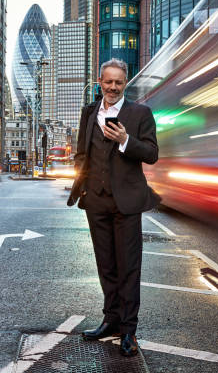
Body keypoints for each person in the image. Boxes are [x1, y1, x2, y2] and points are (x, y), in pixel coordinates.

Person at [67, 58, 160, 357]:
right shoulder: (89, 112)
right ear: (100, 81)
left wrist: (125, 140)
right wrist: (82, 180)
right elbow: (82, 152)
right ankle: (111, 320)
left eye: (118, 82)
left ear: (125, 83)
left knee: (129, 268)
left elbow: (152, 154)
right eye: (108, 81)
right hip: (96, 199)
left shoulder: (140, 113)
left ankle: (129, 330)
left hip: (127, 202)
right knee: (106, 265)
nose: (113, 86)